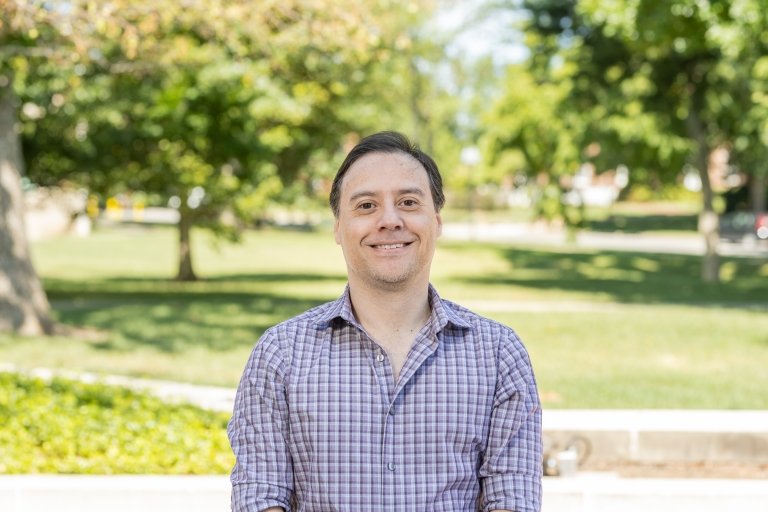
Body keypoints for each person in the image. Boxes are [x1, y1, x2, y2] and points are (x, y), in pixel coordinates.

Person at [228, 131, 542, 512]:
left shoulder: (498, 355)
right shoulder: (280, 354)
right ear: (338, 228)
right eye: (365, 206)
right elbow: (261, 498)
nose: (389, 220)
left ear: (436, 222)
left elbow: (512, 500)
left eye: (408, 202)